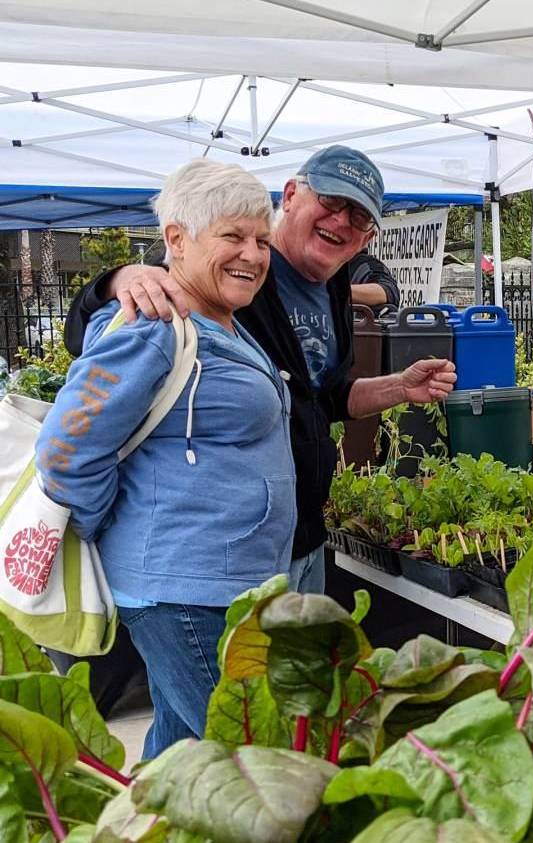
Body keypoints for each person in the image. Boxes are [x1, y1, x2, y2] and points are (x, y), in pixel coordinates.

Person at [65, 145, 456, 594]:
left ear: (366, 240)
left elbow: (321, 398)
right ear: (290, 196)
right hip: (216, 562)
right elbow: (95, 335)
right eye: (331, 202)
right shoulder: (233, 270)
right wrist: (115, 281)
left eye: (359, 217)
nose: (341, 221)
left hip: (302, 537)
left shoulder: (335, 290)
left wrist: (399, 388)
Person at [39, 159, 295, 757]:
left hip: (221, 586)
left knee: (181, 755)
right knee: (248, 762)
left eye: (261, 240)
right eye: (232, 236)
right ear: (176, 239)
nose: (252, 255)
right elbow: (65, 448)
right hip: (185, 593)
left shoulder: (225, 320)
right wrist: (107, 524)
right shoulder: (152, 325)